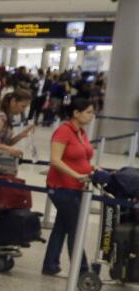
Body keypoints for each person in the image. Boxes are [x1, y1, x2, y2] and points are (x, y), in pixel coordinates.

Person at [43, 97, 96, 277]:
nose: (92, 116)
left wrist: (92, 169)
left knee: (62, 226)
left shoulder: (81, 132)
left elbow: (83, 157)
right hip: (62, 187)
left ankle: (50, 265)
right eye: (88, 112)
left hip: (78, 187)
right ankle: (82, 271)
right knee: (75, 227)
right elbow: (55, 160)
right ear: (76, 113)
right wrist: (77, 175)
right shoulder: (63, 132)